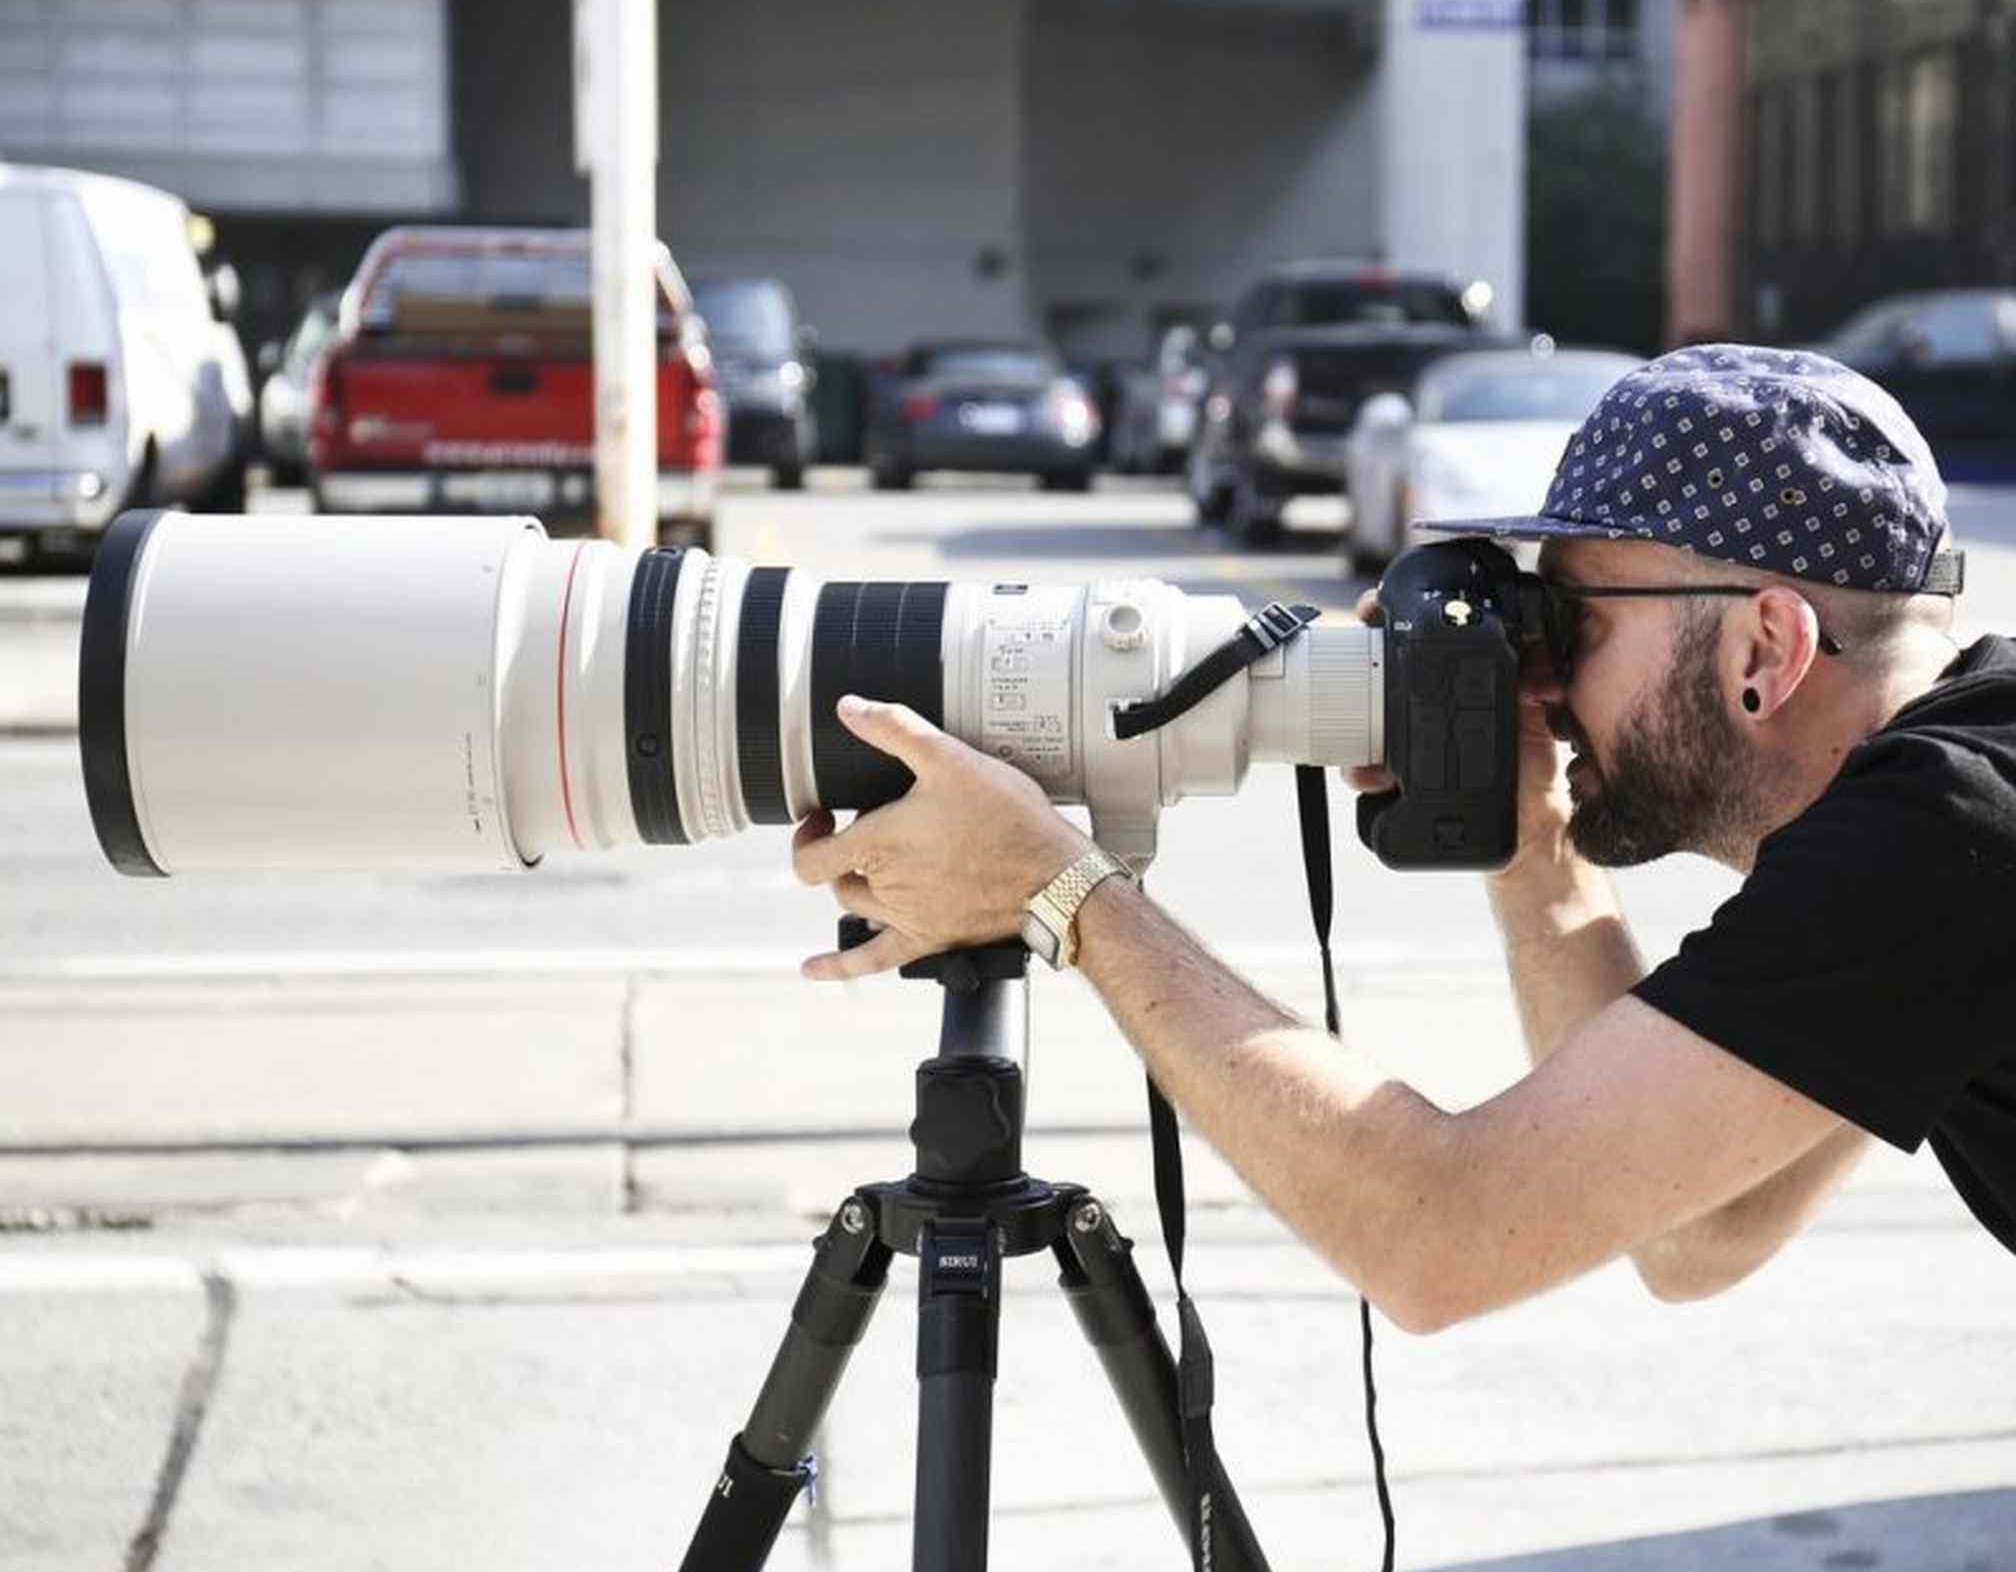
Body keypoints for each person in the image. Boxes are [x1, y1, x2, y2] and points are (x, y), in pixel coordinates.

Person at [791, 346, 2015, 1330]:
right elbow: (1696, 1230)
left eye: (1571, 619)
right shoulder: (1934, 826)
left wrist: (1061, 891)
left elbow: (1440, 1234)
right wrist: (1528, 829)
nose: (1533, 674)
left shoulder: (1938, 836)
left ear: (1763, 648)